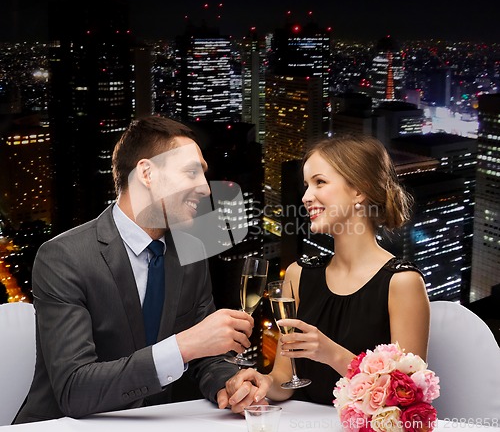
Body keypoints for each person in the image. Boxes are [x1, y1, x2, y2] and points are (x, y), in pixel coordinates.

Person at [14, 116, 261, 424]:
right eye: (191, 172)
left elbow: (205, 359)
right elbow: (74, 389)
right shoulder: (63, 257)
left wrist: (229, 382)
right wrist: (182, 346)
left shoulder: (192, 250)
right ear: (146, 173)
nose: (205, 189)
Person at [224, 134, 431, 406]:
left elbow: (405, 397)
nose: (306, 196)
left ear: (359, 190)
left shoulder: (402, 283)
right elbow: (285, 379)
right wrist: (262, 383)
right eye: (307, 185)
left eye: (319, 182)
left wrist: (329, 352)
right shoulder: (298, 274)